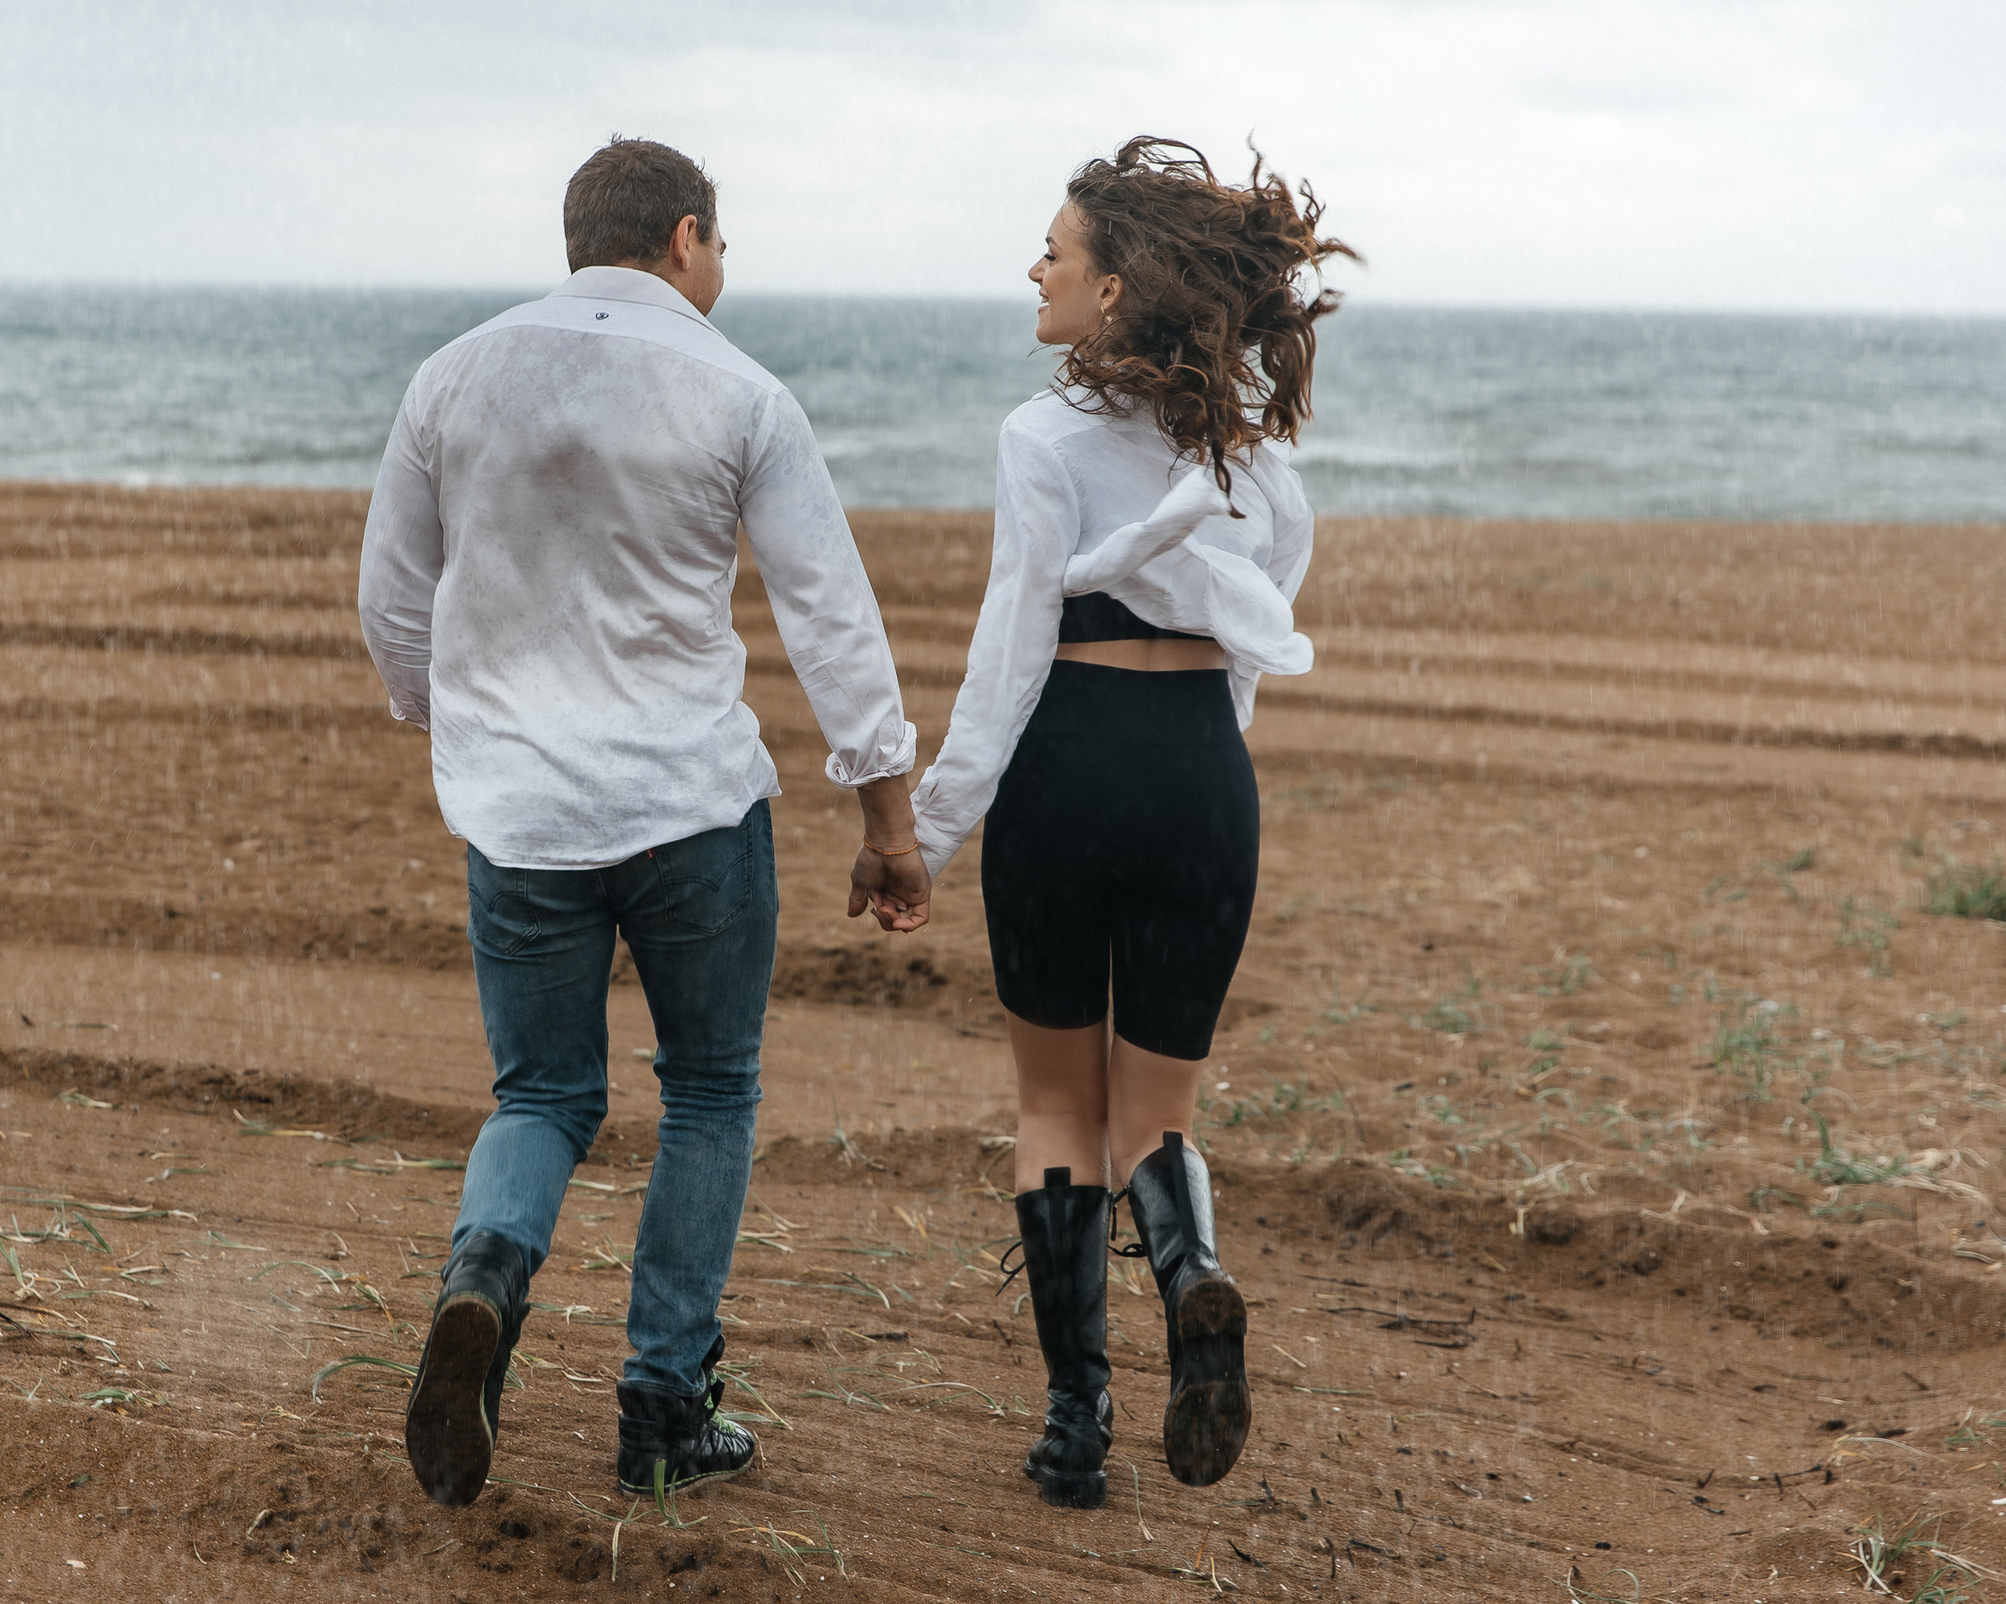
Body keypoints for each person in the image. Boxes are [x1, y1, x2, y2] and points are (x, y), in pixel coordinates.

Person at [358, 137, 933, 1511]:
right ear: (685, 237)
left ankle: (485, 1279)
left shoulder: (454, 374)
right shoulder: (740, 390)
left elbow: (393, 599)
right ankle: (664, 1406)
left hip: (520, 815)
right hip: (687, 808)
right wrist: (888, 819)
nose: (720, 270)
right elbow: (830, 618)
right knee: (712, 1090)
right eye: (719, 247)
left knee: (545, 1093)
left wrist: (471, 729)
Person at [909, 137, 1353, 1506]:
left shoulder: (1038, 437)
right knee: (1156, 1105)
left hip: (1068, 764)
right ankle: (1192, 1271)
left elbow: (1009, 649)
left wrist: (929, 827)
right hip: (1200, 782)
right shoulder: (1253, 459)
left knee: (1057, 1099)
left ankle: (1075, 1415)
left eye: (1059, 250)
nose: (1035, 267)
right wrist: (1199, 775)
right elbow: (1254, 631)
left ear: (1114, 292)